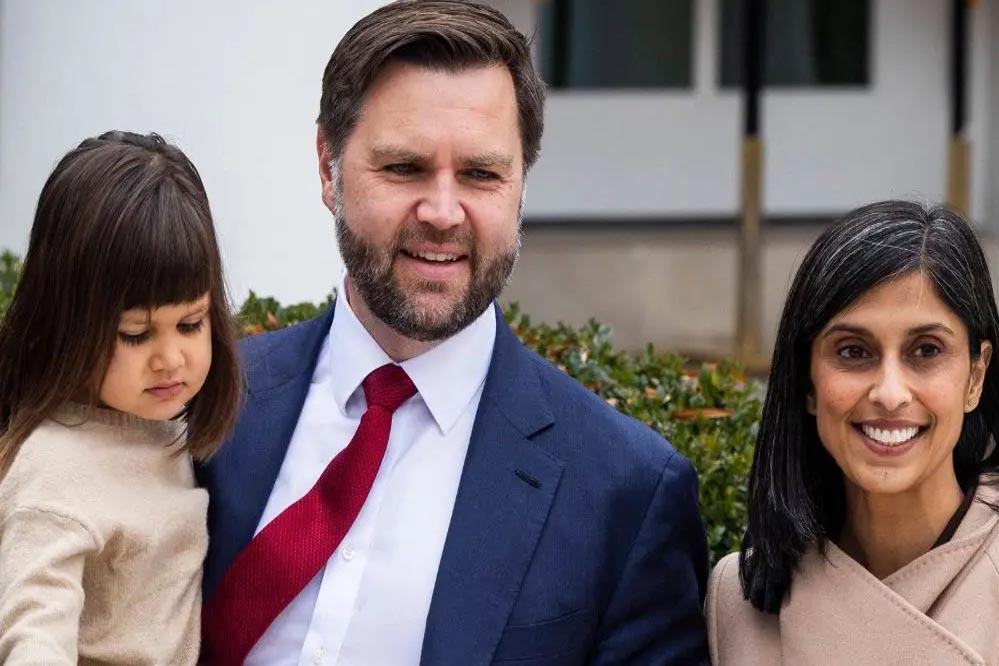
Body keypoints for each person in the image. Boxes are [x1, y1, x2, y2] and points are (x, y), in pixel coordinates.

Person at [199, 1, 709, 664]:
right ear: (328, 167)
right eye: (403, 168)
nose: (443, 213)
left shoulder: (626, 494)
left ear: (520, 185)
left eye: (480, 174)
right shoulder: (203, 403)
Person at [707, 201, 999, 665]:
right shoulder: (738, 598)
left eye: (926, 350)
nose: (889, 393)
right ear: (807, 381)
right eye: (853, 351)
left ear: (975, 377)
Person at [0, 131, 242, 663]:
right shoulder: (53, 468)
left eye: (191, 324)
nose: (170, 358)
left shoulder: (169, 430)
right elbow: (34, 633)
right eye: (136, 334)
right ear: (68, 321)